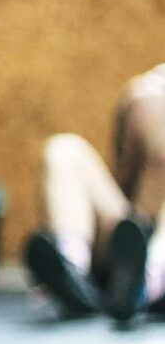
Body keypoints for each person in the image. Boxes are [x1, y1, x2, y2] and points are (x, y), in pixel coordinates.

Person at [26, 64, 165, 323]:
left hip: (157, 251)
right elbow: (123, 177)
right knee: (64, 150)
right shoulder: (147, 93)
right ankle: (71, 270)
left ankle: (149, 281)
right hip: (130, 237)